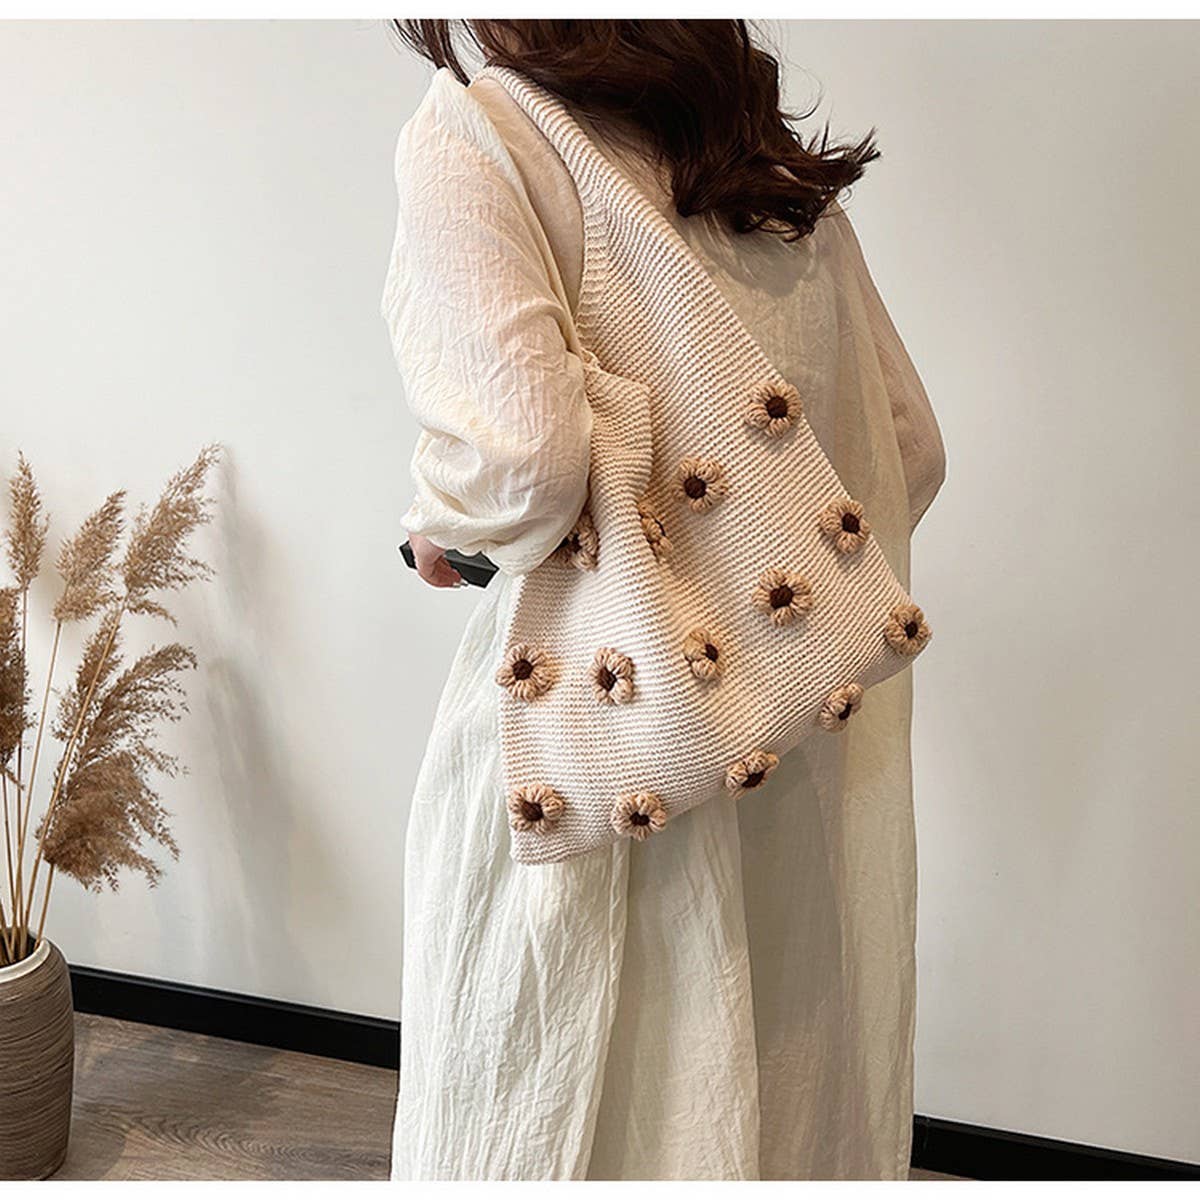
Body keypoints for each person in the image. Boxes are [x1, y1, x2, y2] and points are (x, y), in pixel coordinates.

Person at [381, 20, 945, 1181]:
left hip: (593, 756)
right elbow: (907, 447)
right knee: (775, 1108)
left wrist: (443, 529)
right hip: (791, 754)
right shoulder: (761, 164)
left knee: (559, 1103)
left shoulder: (484, 134)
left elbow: (519, 466)